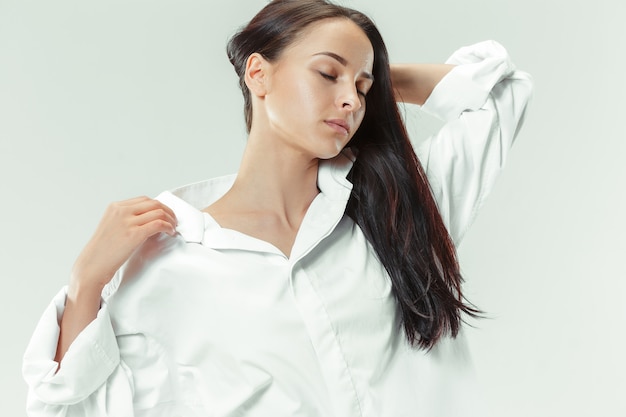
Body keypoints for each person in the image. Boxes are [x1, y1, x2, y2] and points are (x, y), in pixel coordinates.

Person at [22, 0, 533, 415]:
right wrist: (86, 282)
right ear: (258, 75)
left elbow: (500, 93)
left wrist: (374, 81)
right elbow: (69, 407)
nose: (351, 101)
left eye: (362, 87)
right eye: (328, 73)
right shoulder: (167, 262)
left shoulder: (397, 212)